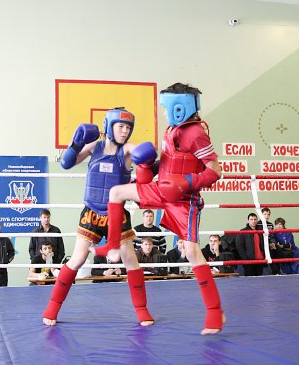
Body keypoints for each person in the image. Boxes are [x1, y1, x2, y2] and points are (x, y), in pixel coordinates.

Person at [94, 83, 225, 335]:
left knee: (191, 251)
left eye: (167, 108)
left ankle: (215, 311)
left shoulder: (196, 134)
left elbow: (215, 171)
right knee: (117, 192)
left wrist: (187, 182)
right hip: (161, 188)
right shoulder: (171, 130)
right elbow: (166, 163)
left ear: (179, 107)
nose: (164, 113)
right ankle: (112, 244)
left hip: (184, 199)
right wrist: (147, 167)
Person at [42, 107, 154, 328]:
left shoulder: (127, 150)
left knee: (130, 259)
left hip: (116, 213)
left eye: (128, 127)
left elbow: (142, 151)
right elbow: (67, 163)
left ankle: (142, 310)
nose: (125, 131)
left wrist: (148, 157)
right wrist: (76, 143)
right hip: (91, 211)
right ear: (109, 126)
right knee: (77, 259)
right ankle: (52, 308)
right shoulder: (95, 146)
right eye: (121, 126)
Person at [256, 207, 280, 275]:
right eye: (265, 214)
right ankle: (275, 272)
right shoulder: (257, 224)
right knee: (269, 254)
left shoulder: (270, 224)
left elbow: (272, 235)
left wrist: (273, 243)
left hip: (270, 244)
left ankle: (277, 271)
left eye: (268, 214)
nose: (267, 216)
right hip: (261, 245)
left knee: (278, 251)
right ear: (261, 215)